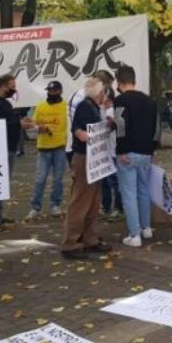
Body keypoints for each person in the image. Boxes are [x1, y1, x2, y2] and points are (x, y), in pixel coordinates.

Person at [62, 77, 113, 260]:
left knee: (93, 200)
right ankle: (70, 242)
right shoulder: (85, 106)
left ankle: (89, 237)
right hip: (84, 157)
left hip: (93, 157)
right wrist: (80, 133)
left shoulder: (92, 106)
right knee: (82, 200)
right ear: (99, 93)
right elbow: (77, 127)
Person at [0, 74, 34, 231]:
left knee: (2, 184)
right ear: (2, 85)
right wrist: (19, 124)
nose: (14, 89)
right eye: (12, 85)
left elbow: (9, 121)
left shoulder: (4, 102)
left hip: (8, 147)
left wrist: (21, 122)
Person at [114, 65, 159, 248]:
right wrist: (153, 148)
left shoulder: (120, 100)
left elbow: (121, 125)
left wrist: (121, 150)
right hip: (146, 152)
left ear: (119, 81)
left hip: (129, 152)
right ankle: (146, 228)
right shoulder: (150, 101)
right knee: (143, 190)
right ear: (134, 80)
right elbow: (157, 127)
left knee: (129, 194)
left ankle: (134, 234)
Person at [26, 81, 68, 220]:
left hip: (60, 148)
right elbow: (31, 124)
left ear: (60, 91)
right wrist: (39, 128)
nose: (51, 93)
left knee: (58, 180)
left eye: (54, 91)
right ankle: (35, 207)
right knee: (40, 179)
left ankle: (55, 205)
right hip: (43, 148)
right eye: (49, 91)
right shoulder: (41, 106)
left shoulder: (65, 106)